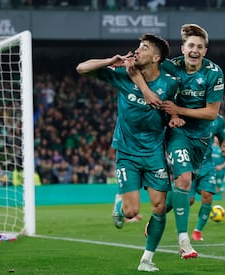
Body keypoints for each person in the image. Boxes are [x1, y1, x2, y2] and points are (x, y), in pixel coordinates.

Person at [76, 33, 183, 272]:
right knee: (131, 211)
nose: (137, 50)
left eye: (143, 48)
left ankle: (146, 259)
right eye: (138, 46)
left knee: (159, 206)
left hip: (154, 152)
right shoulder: (124, 75)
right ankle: (120, 204)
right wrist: (108, 60)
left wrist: (174, 116)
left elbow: (171, 110)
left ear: (156, 58)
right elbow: (82, 68)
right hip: (127, 152)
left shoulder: (170, 84)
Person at [130, 23, 225, 259]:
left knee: (184, 191)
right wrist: (170, 113)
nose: (195, 50)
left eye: (200, 47)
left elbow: (212, 113)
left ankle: (157, 215)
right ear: (183, 48)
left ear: (205, 51)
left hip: (201, 139)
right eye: (191, 45)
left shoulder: (214, 73)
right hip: (176, 133)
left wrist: (178, 109)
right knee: (183, 180)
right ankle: (184, 241)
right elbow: (142, 69)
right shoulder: (170, 66)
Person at [188, 114, 225, 241]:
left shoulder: (219, 120)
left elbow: (222, 137)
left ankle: (197, 231)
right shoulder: (189, 112)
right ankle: (160, 212)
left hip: (207, 165)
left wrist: (224, 146)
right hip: (188, 163)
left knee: (208, 196)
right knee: (189, 200)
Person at [212, 135, 225, 201]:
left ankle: (222, 190)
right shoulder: (210, 147)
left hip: (220, 171)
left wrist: (221, 166)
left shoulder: (223, 147)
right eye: (215, 137)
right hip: (211, 170)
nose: (216, 139)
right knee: (210, 188)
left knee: (216, 191)